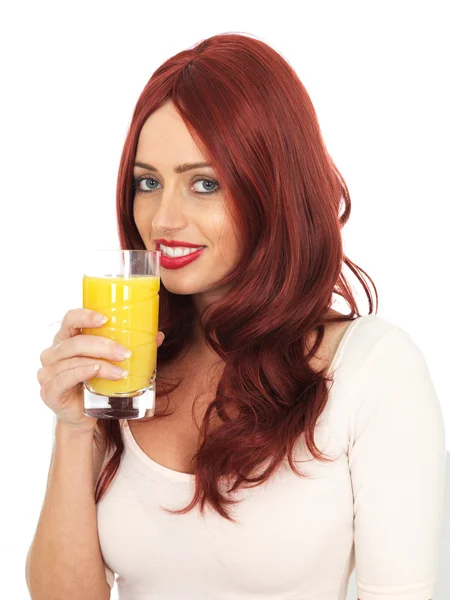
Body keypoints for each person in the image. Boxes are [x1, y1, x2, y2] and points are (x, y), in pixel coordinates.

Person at [26, 33, 446, 600]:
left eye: (204, 184)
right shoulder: (130, 363)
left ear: (272, 189)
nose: (163, 218)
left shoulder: (373, 367)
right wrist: (74, 429)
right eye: (148, 182)